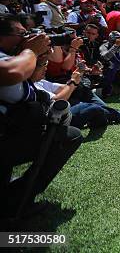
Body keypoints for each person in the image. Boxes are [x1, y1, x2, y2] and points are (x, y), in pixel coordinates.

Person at [0, 13, 82, 219]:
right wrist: (30, 51)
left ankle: (11, 196)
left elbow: (42, 95)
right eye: (21, 34)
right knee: (69, 136)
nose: (28, 38)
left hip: (10, 129)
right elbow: (13, 74)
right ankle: (14, 200)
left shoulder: (14, 56)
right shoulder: (11, 59)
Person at [31, 59, 120, 129]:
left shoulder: (40, 81)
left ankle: (105, 114)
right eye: (42, 66)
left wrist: (78, 75)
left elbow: (63, 88)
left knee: (82, 89)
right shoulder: (32, 86)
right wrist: (73, 82)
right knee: (93, 108)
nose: (45, 68)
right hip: (57, 118)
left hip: (65, 107)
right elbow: (58, 101)